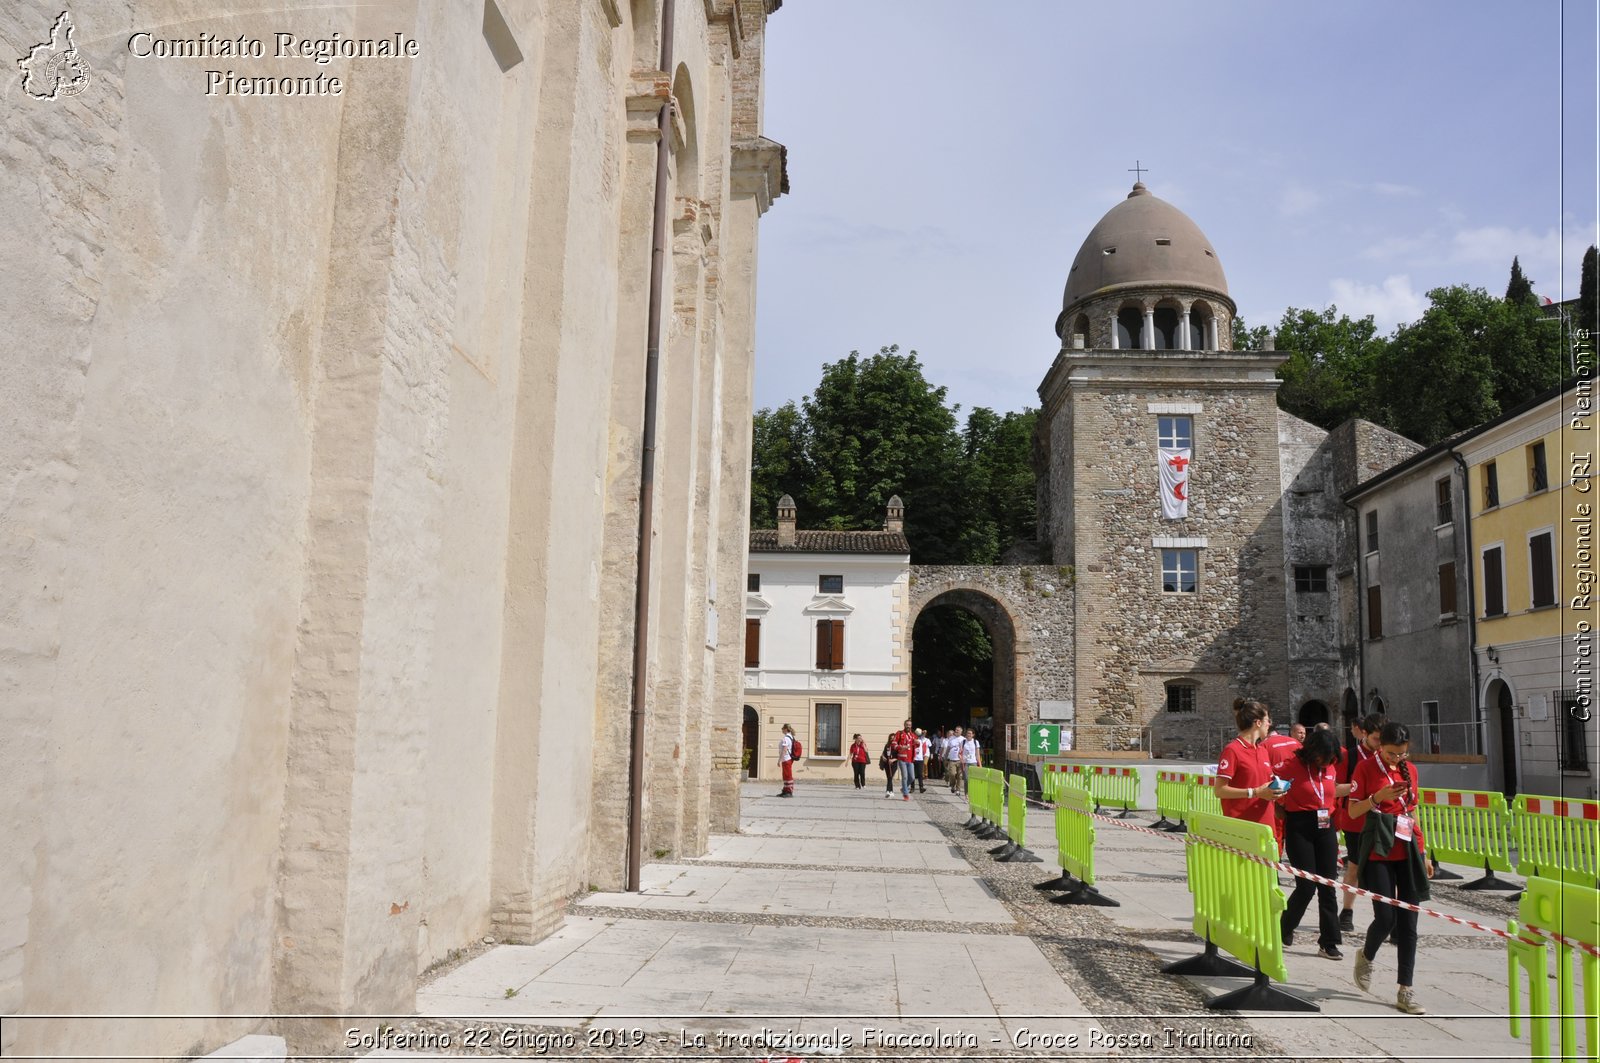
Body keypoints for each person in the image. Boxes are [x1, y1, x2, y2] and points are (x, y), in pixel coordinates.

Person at [1347, 721, 1432, 1015]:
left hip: (1407, 849)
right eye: (1392, 753)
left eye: (1402, 754)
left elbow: (1414, 812)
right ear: (1379, 746)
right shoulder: (1366, 768)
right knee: (1386, 919)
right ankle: (1366, 956)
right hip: (1379, 852)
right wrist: (1377, 798)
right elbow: (1353, 809)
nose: (1397, 759)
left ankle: (1405, 990)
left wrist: (1424, 854)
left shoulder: (1411, 771)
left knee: (1409, 923)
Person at [1277, 729, 1349, 959]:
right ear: (1312, 751)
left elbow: (1331, 789)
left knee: (1328, 885)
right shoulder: (1291, 766)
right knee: (1306, 886)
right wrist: (1282, 811)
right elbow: (1272, 789)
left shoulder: (1330, 766)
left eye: (1330, 758)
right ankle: (1284, 928)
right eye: (1323, 757)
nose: (1326, 762)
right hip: (1300, 826)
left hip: (1325, 825)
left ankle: (1329, 942)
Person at [1334, 713, 1384, 932]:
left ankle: (1384, 915)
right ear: (1364, 734)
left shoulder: (1387, 756)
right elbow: (1335, 787)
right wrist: (1359, 787)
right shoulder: (1351, 756)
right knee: (1353, 866)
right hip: (1356, 820)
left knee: (1382, 869)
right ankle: (1347, 911)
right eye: (1376, 739)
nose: (1379, 745)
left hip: (1383, 821)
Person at [1215, 699, 1285, 845]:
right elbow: (1219, 790)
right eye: (1267, 720)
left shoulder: (1263, 750)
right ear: (1258, 723)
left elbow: (1263, 784)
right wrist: (1254, 792)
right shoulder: (1232, 750)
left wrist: (1276, 791)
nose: (1269, 724)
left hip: (1265, 828)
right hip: (1241, 829)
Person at [891, 719, 917, 800]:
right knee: (905, 777)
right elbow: (893, 744)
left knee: (912, 777)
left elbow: (915, 746)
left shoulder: (913, 735)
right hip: (902, 758)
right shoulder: (899, 733)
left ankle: (903, 788)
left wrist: (918, 743)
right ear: (904, 725)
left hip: (911, 759)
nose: (908, 726)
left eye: (909, 725)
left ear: (911, 726)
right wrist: (901, 747)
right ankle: (905, 794)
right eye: (907, 724)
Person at [777, 723, 796, 797]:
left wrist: (779, 760)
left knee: (788, 776)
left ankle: (789, 792)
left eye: (782, 728)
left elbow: (784, 750)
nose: (782, 730)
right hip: (788, 759)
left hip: (786, 759)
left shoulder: (786, 738)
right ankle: (785, 790)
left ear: (785, 729)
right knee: (785, 775)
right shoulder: (790, 737)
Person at [914, 728, 931, 793]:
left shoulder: (926, 740)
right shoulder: (915, 739)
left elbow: (929, 747)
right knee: (913, 774)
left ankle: (921, 787)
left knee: (920, 773)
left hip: (922, 757)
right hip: (914, 758)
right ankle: (912, 787)